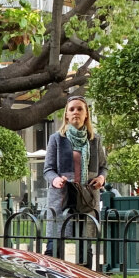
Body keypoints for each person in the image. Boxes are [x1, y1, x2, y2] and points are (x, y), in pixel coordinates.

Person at [43, 95, 107, 263]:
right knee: (54, 248)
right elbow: (48, 169)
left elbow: (103, 167)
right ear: (66, 115)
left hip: (86, 200)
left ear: (86, 114)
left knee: (85, 250)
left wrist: (101, 178)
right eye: (72, 109)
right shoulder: (56, 139)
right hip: (62, 198)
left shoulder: (95, 140)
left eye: (80, 109)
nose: (76, 112)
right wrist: (55, 179)